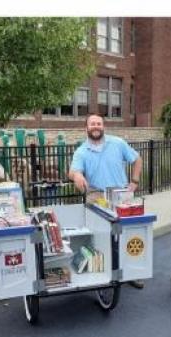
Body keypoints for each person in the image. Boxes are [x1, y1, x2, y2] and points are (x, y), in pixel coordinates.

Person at [69, 113, 145, 289]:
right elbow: (73, 172)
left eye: (99, 123)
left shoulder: (117, 143)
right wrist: (77, 175)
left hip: (121, 194)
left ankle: (131, 272)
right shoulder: (81, 151)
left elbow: (137, 159)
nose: (96, 126)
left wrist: (134, 181)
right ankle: (101, 270)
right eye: (92, 124)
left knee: (127, 234)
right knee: (99, 236)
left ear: (103, 126)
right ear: (86, 128)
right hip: (96, 195)